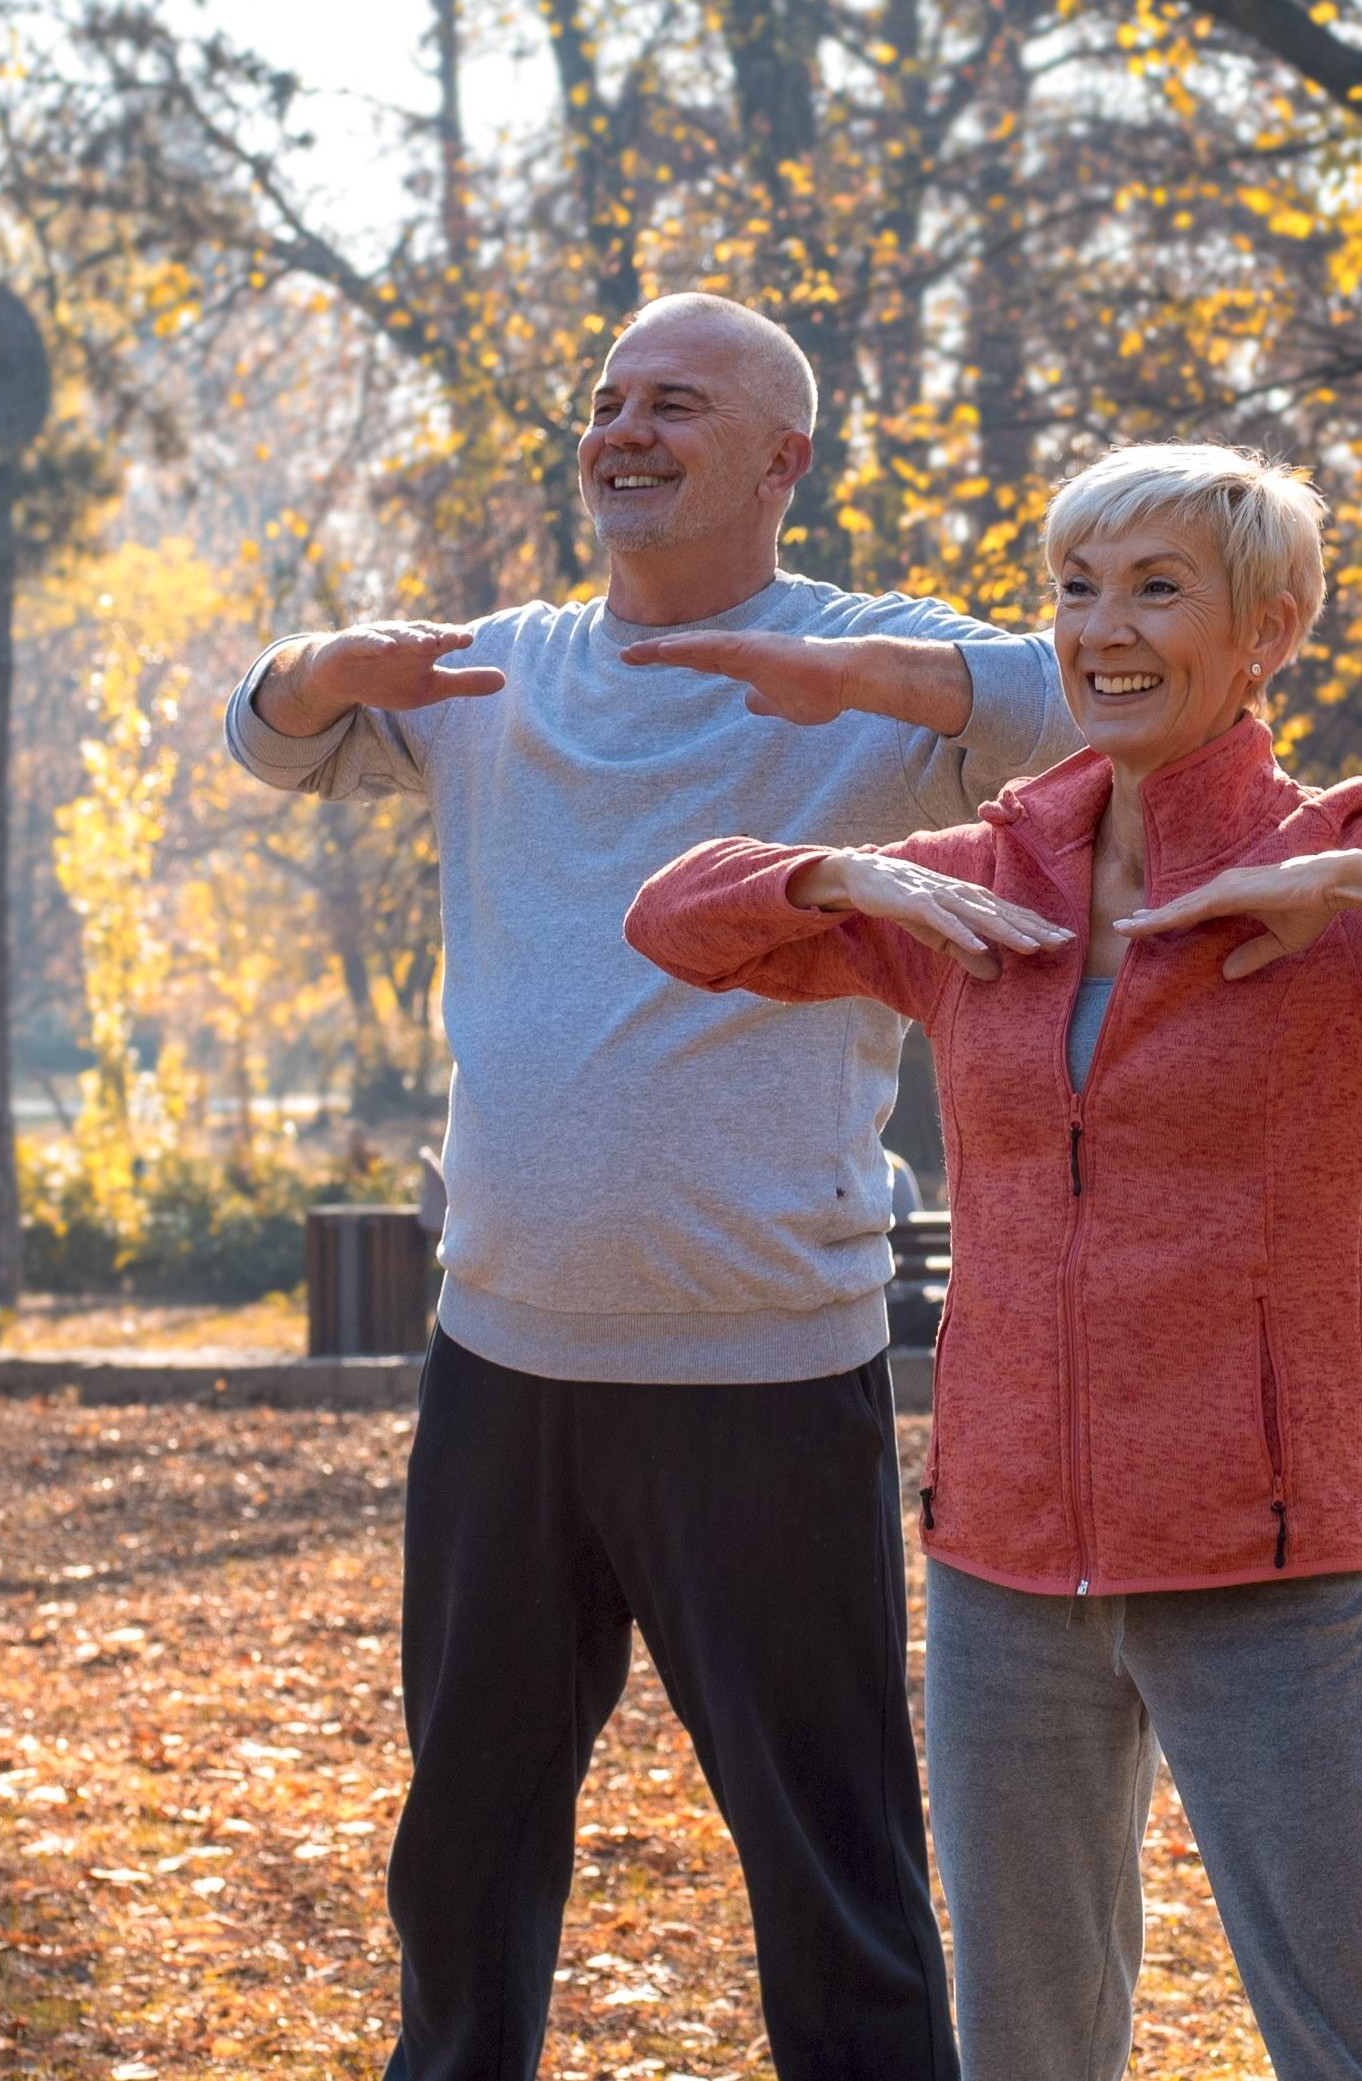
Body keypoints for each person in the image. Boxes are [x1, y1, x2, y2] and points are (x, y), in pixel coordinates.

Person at [621, 443, 1362, 2081]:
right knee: (1030, 2054)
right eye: (1070, 588)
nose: (1098, 627)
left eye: (1151, 587)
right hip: (998, 1567)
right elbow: (673, 918)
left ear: (1264, 630)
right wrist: (831, 870)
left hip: (1258, 1565)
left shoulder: (1351, 879)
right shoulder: (982, 880)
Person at [227, 292, 1083, 2081]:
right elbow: (271, 740)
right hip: (501, 1370)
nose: (622, 428)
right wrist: (318, 665)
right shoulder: (496, 667)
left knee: (833, 1865)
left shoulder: (881, 661)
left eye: (673, 405)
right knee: (459, 1859)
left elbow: (1087, 696)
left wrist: (854, 681)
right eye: (608, 399)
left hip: (762, 1375)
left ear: (782, 460)